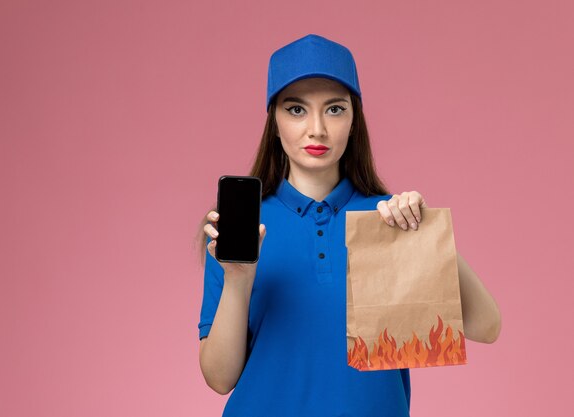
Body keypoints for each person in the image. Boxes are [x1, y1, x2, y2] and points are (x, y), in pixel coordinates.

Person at [197, 34, 501, 416]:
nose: (317, 129)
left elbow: (486, 326)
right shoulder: (239, 227)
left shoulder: (389, 221)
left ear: (354, 120)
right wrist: (238, 281)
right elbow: (219, 378)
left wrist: (427, 237)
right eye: (296, 110)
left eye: (335, 109)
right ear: (273, 122)